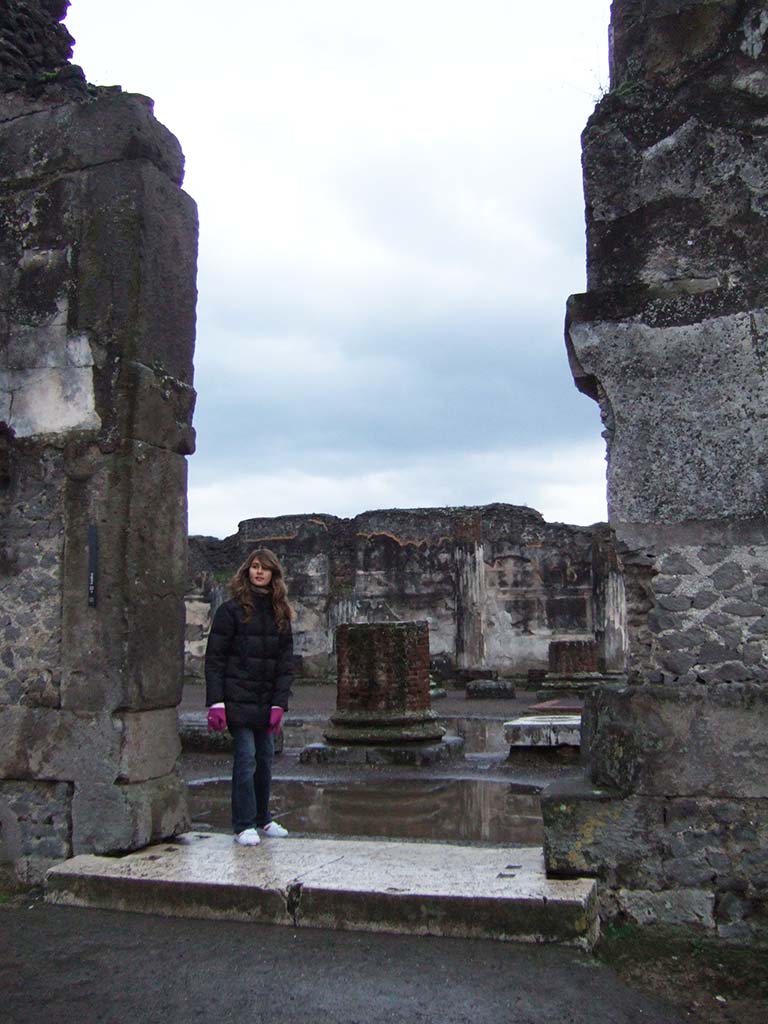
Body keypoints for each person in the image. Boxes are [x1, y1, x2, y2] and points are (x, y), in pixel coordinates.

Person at [205, 547, 295, 846]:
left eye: (265, 568)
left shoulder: (280, 613)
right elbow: (215, 658)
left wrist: (279, 703)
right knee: (246, 759)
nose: (259, 572)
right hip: (237, 698)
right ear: (247, 571)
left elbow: (285, 663)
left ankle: (262, 818)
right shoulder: (230, 611)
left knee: (265, 760)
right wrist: (217, 703)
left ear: (273, 574)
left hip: (265, 698)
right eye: (255, 566)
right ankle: (243, 824)